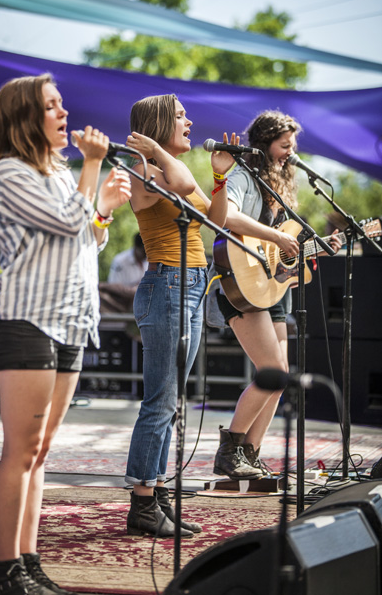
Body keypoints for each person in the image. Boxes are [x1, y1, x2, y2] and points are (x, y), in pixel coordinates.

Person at [0, 73, 131, 595]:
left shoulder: (60, 174)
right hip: (28, 320)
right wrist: (94, 166)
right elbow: (68, 226)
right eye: (52, 106)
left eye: (61, 104)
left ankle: (29, 559)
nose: (64, 113)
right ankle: (7, 571)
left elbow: (83, 240)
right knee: (19, 451)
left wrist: (104, 210)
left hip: (70, 319)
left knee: (41, 452)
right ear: (26, 117)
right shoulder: (9, 172)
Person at [206, 110, 342, 481]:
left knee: (280, 382)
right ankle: (229, 449)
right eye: (284, 146)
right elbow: (226, 218)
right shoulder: (243, 175)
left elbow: (277, 257)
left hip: (270, 290)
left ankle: (250, 455)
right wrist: (277, 238)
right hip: (238, 284)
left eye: (293, 147)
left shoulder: (280, 187)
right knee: (276, 373)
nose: (290, 154)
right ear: (264, 145)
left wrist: (294, 265)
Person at [123, 93, 235, 538]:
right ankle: (142, 502)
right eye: (181, 116)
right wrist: (156, 151)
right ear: (158, 124)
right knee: (161, 402)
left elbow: (220, 222)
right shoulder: (144, 171)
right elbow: (186, 187)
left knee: (170, 404)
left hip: (187, 286)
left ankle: (157, 490)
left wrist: (222, 179)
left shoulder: (165, 165)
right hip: (167, 286)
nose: (190, 122)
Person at [99, 232, 148, 313]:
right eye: (143, 252)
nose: (145, 256)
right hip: (122, 304)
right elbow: (114, 286)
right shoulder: (120, 261)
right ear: (136, 247)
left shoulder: (149, 261)